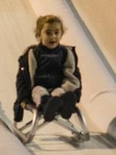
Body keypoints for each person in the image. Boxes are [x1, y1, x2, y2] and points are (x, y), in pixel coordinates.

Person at [13, 14, 89, 143]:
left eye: (56, 32)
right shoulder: (33, 54)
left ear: (61, 34)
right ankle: (48, 104)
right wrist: (23, 99)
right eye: (48, 33)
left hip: (58, 87)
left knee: (60, 92)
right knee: (40, 92)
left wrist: (74, 93)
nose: (53, 36)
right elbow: (22, 78)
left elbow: (73, 75)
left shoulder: (65, 53)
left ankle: (64, 104)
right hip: (37, 88)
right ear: (39, 35)